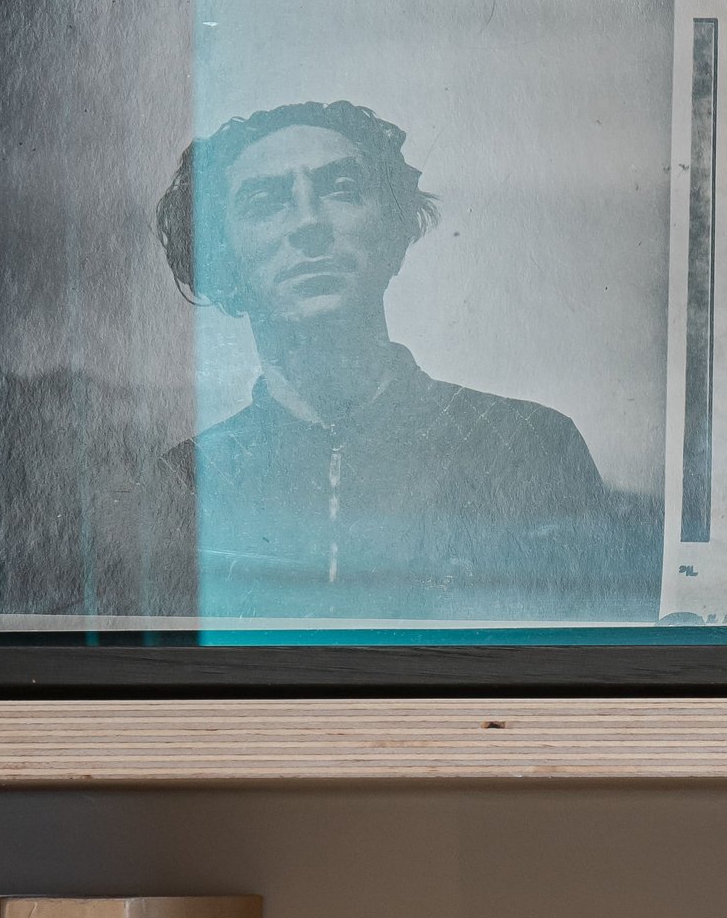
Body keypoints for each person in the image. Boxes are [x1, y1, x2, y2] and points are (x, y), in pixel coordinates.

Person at [155, 97, 646, 621]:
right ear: (222, 257)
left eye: (342, 190)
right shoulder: (184, 479)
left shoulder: (527, 443)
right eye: (264, 202)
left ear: (393, 233)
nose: (309, 222)